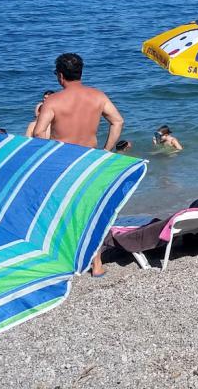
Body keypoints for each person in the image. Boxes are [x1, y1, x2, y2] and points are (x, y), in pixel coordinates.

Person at [31, 53, 125, 276]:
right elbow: (117, 121)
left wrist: (46, 156)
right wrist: (106, 150)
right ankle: (97, 264)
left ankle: (63, 260)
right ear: (80, 73)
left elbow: (38, 132)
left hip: (63, 162)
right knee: (91, 210)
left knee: (61, 212)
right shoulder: (97, 96)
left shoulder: (53, 101)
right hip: (91, 160)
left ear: (60, 76)